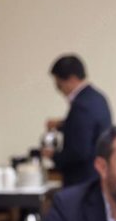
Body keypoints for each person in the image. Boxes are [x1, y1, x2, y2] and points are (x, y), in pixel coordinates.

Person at [42, 54, 112, 186]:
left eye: (59, 84)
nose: (59, 89)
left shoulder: (81, 105)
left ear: (72, 79)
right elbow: (87, 128)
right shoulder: (98, 98)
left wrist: (53, 155)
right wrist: (61, 125)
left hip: (82, 181)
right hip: (97, 176)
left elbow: (79, 152)